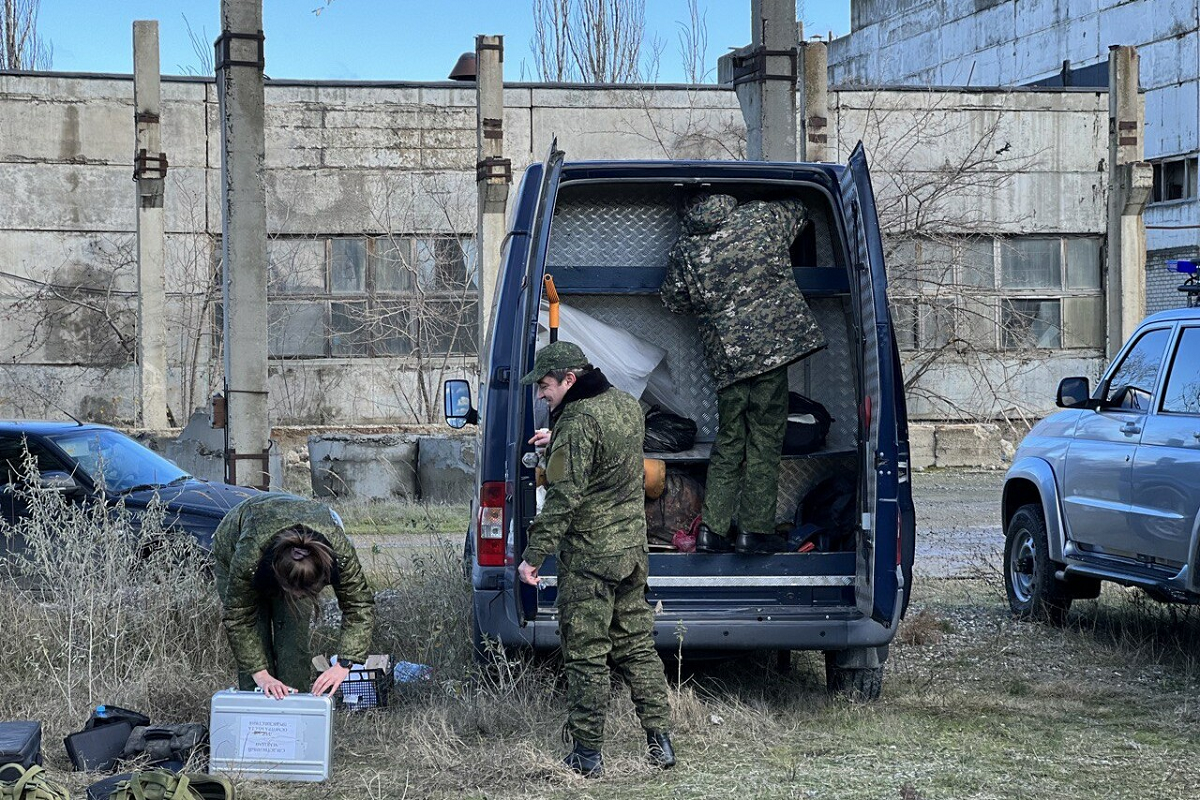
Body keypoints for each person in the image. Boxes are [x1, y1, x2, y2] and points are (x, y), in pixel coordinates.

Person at [517, 340, 675, 777]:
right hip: (631, 552)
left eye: (546, 386)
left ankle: (587, 755)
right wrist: (559, 440)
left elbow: (565, 496)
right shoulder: (625, 405)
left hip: (590, 557)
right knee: (638, 646)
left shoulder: (580, 419)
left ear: (570, 380)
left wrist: (533, 557)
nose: (541, 394)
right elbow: (608, 460)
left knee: (586, 654)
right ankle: (660, 742)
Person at [662, 193, 826, 554]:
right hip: (771, 353)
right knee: (765, 441)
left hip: (729, 360)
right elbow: (799, 209)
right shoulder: (760, 218)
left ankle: (712, 530)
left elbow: (673, 300)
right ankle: (754, 531)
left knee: (730, 442)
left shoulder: (686, 249)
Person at [212, 493, 375, 700]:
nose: (296, 597)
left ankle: (296, 715)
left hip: (292, 552)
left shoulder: (340, 554)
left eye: (303, 592)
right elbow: (239, 618)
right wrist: (261, 675)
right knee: (256, 640)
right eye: (292, 591)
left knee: (294, 643)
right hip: (236, 540)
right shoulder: (249, 557)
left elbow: (359, 605)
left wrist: (344, 663)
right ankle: (259, 719)